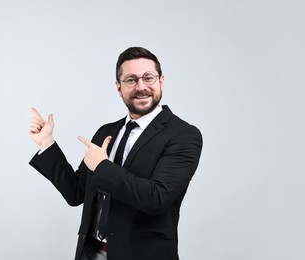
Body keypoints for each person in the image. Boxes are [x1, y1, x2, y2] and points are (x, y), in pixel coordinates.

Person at [29, 47, 203, 260]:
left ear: (161, 81)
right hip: (92, 254)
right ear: (119, 88)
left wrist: (102, 167)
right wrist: (47, 143)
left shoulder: (183, 135)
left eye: (148, 77)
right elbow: (76, 193)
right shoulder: (106, 132)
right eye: (131, 80)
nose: (141, 87)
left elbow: (157, 198)